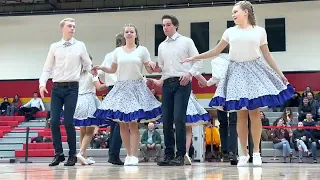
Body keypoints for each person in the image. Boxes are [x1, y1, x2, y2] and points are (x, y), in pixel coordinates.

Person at [182, 1, 294, 166]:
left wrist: (281, 74)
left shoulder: (259, 31)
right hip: (235, 73)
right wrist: (195, 57)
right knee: (240, 114)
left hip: (255, 71)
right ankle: (244, 153)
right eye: (233, 12)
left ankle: (256, 152)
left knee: (254, 114)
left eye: (236, 12)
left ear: (246, 12)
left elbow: (268, 55)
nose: (233, 15)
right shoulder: (230, 32)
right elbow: (215, 51)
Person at [93, 24, 161, 166]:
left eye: (131, 31)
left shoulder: (142, 50)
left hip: (136, 88)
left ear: (135, 35)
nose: (129, 33)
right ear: (124, 35)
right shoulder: (118, 51)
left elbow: (148, 67)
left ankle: (134, 155)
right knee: (122, 124)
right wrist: (101, 67)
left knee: (133, 124)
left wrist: (152, 65)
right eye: (127, 32)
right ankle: (128, 154)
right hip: (122, 87)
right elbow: (113, 69)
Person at [39, 18, 92, 166]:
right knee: (54, 121)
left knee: (68, 122)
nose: (72, 28)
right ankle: (59, 154)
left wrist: (95, 75)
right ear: (62, 29)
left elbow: (88, 64)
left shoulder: (80, 45)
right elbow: (47, 68)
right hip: (56, 88)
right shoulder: (54, 47)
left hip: (72, 88)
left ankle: (72, 155)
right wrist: (42, 84)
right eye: (69, 26)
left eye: (74, 26)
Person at [153, 14, 203, 166]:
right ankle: (169, 154)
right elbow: (161, 68)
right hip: (167, 83)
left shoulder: (186, 41)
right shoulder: (161, 46)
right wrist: (156, 68)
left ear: (175, 26)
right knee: (166, 120)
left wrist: (190, 74)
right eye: (163, 25)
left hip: (182, 82)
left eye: (168, 24)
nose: (165, 28)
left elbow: (198, 60)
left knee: (178, 119)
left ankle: (180, 154)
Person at [148, 74, 210, 165]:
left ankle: (184, 153)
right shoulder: (169, 70)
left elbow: (195, 71)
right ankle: (177, 153)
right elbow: (163, 77)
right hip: (175, 92)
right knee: (173, 122)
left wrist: (206, 82)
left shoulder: (186, 66)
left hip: (185, 96)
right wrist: (206, 82)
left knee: (182, 123)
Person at [97, 32, 125, 165]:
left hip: (110, 89)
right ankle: (114, 154)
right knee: (121, 122)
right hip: (122, 88)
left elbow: (101, 74)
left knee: (114, 123)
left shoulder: (108, 55)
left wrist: (107, 80)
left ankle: (112, 154)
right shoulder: (125, 55)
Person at [74, 54, 107, 165]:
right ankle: (81, 152)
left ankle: (83, 158)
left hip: (78, 101)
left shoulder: (76, 74)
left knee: (83, 131)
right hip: (88, 100)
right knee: (90, 131)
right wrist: (111, 83)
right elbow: (99, 87)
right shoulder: (91, 73)